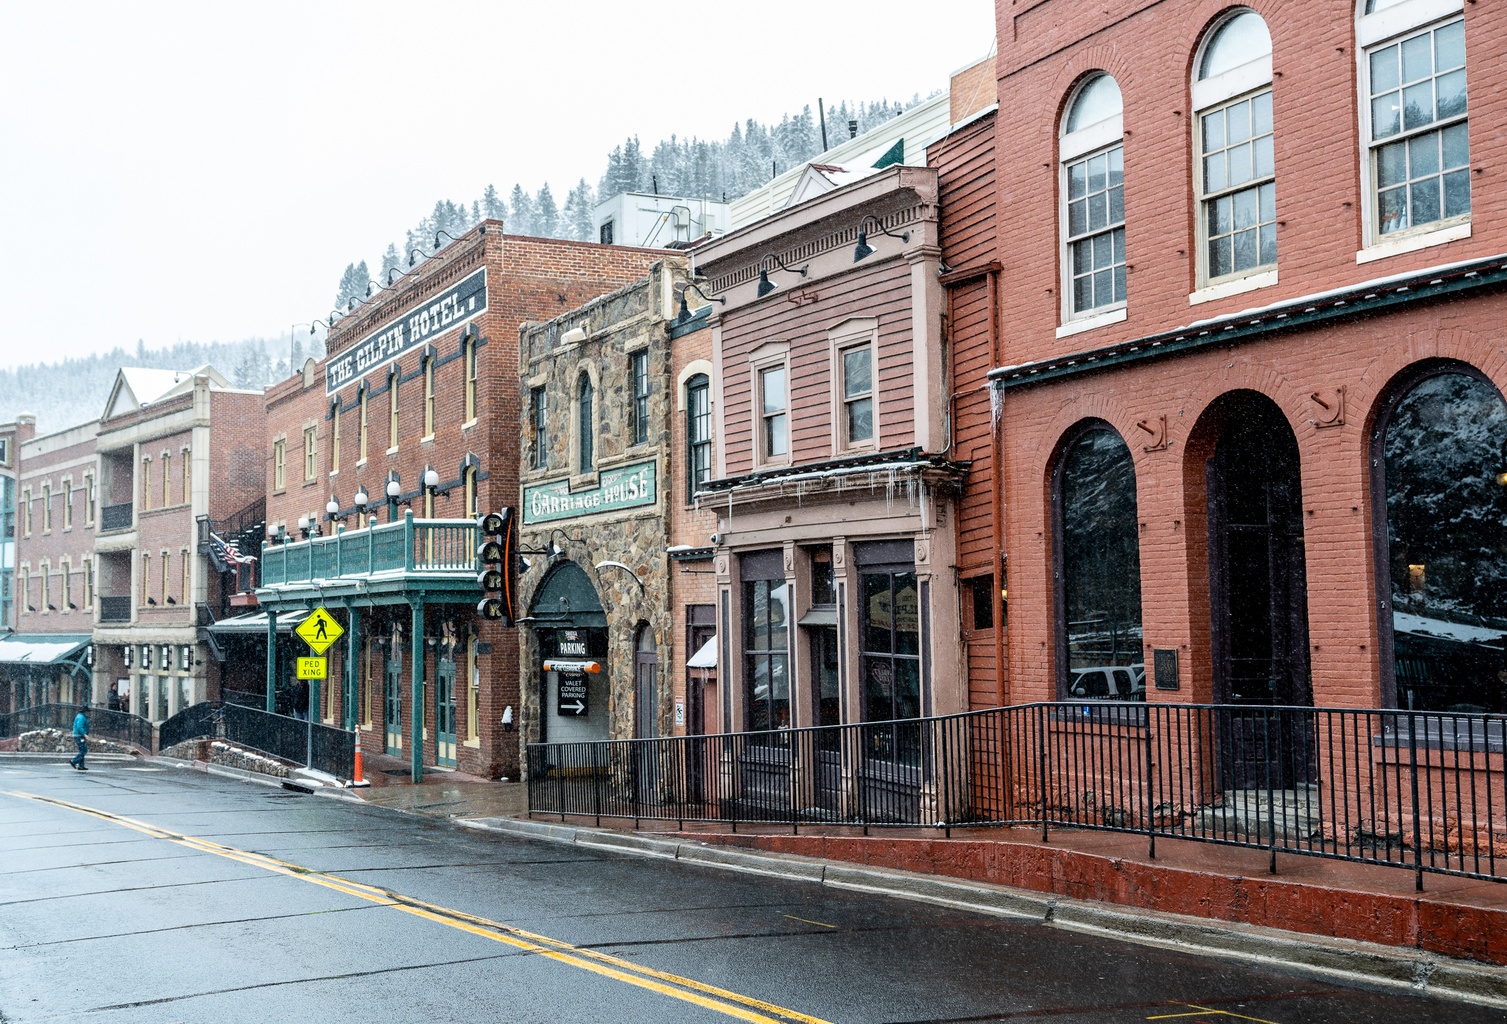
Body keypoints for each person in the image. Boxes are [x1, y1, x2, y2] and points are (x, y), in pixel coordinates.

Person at [69, 706, 89, 771]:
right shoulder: (81, 717)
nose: (88, 713)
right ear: (85, 712)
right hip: (79, 736)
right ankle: (74, 761)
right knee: (84, 750)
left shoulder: (80, 716)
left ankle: (81, 765)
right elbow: (79, 727)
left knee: (82, 750)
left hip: (78, 735)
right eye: (87, 712)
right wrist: (84, 734)